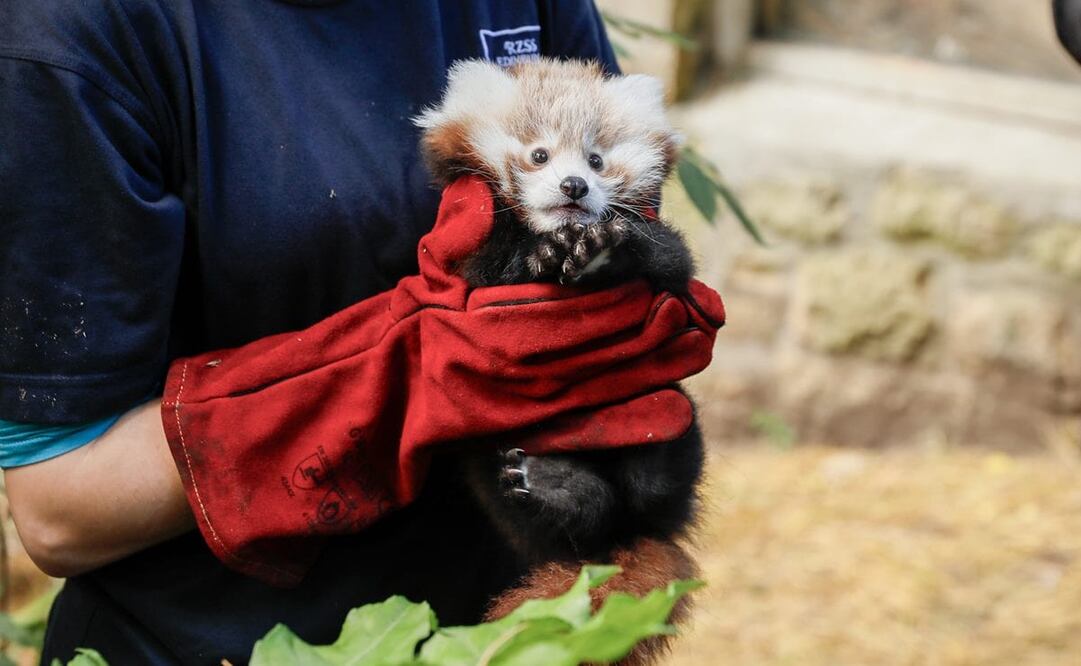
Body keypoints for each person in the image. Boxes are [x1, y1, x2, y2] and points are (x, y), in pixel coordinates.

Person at [0, 2, 721, 663]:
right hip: (221, 642)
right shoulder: (70, 35)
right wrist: (402, 378)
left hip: (517, 625)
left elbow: (625, 238)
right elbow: (60, 512)